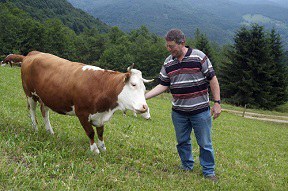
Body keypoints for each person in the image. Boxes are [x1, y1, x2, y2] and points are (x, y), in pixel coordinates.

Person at [145, 29, 221, 182]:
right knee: (182, 141)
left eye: (171, 46)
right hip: (179, 112)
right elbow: (163, 85)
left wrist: (217, 102)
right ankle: (186, 165)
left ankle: (208, 171)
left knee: (204, 143)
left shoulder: (198, 56)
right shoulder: (168, 62)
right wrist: (144, 98)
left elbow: (213, 79)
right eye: (167, 46)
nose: (169, 49)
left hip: (200, 111)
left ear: (182, 43)